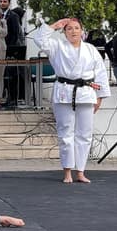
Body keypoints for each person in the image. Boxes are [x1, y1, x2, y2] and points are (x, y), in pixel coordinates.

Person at [32, 16, 111, 184]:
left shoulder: (90, 49)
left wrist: (100, 97)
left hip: (86, 92)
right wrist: (54, 25)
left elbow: (101, 73)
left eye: (76, 28)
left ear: (82, 31)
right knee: (65, 133)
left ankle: (80, 171)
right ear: (64, 32)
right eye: (69, 29)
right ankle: (67, 171)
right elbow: (39, 39)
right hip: (64, 92)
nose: (73, 31)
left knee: (85, 134)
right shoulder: (57, 46)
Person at [0, 0, 23, 109]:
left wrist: (10, 49)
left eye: (5, 1)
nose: (3, 3)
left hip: (11, 49)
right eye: (1, 2)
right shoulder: (0, 16)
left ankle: (13, 100)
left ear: (8, 3)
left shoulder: (13, 16)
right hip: (2, 49)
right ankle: (8, 99)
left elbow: (15, 33)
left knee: (12, 75)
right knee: (6, 75)